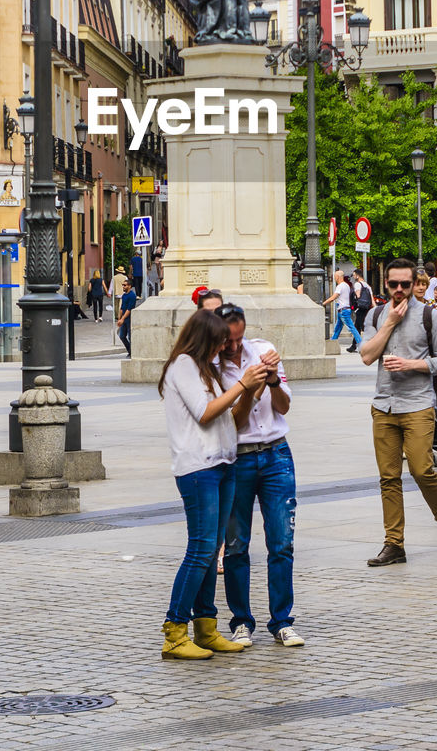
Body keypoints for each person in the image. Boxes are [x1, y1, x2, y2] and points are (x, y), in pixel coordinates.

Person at [157, 307, 268, 660]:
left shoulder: (208, 369)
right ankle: (175, 631)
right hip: (197, 467)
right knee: (201, 549)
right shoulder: (184, 366)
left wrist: (250, 389)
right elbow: (205, 412)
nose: (225, 348)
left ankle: (206, 626)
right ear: (205, 338)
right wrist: (241, 384)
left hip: (223, 463)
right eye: (220, 342)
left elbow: (229, 415)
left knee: (212, 549)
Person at [360, 257, 437, 566]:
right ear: (386, 285)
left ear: (415, 283)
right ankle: (394, 544)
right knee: (388, 477)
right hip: (384, 405)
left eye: (406, 284)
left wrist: (412, 365)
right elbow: (366, 356)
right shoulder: (377, 314)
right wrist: (389, 322)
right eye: (395, 284)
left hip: (417, 403)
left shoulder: (428, 316)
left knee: (421, 469)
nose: (401, 289)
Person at [217, 302, 304, 648]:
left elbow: (283, 406)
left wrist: (271, 381)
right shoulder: (211, 368)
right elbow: (233, 422)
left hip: (276, 453)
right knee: (236, 545)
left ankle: (282, 620)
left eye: (239, 338)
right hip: (237, 458)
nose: (235, 347)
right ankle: (241, 621)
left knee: (281, 541)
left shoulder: (264, 352)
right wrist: (248, 386)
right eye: (228, 341)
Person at [323, 269, 362, 349]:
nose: (334, 278)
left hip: (343, 310)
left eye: (334, 277)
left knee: (351, 328)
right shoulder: (346, 285)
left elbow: (333, 297)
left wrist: (323, 303)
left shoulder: (340, 286)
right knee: (338, 328)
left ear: (338, 277)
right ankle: (332, 343)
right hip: (344, 309)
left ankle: (362, 344)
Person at [347, 268, 374, 354]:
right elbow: (371, 298)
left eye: (354, 275)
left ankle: (368, 345)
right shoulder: (367, 285)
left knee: (362, 327)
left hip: (360, 308)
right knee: (357, 327)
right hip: (366, 308)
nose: (354, 276)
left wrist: (354, 295)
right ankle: (353, 345)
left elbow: (358, 296)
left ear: (358, 276)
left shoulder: (358, 284)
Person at [117, 278, 136, 356]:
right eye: (123, 285)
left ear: (129, 286)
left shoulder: (132, 295)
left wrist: (122, 319)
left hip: (129, 318)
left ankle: (132, 353)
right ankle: (130, 351)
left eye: (125, 285)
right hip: (124, 319)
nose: (123, 287)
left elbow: (129, 309)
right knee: (122, 336)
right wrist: (119, 319)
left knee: (130, 337)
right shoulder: (124, 295)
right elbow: (122, 307)